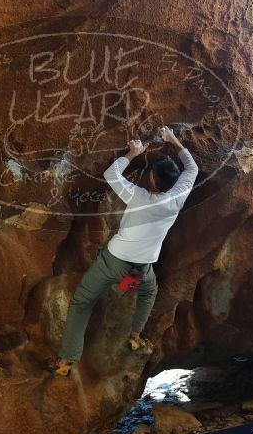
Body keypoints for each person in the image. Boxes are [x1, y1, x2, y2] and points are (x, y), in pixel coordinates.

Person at [47, 125, 198, 376]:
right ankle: (135, 335)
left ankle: (67, 359)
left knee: (82, 302)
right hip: (141, 268)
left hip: (112, 262)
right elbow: (191, 168)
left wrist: (133, 153)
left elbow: (111, 173)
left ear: (150, 178)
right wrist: (174, 141)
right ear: (173, 182)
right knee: (148, 292)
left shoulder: (138, 196)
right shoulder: (177, 198)